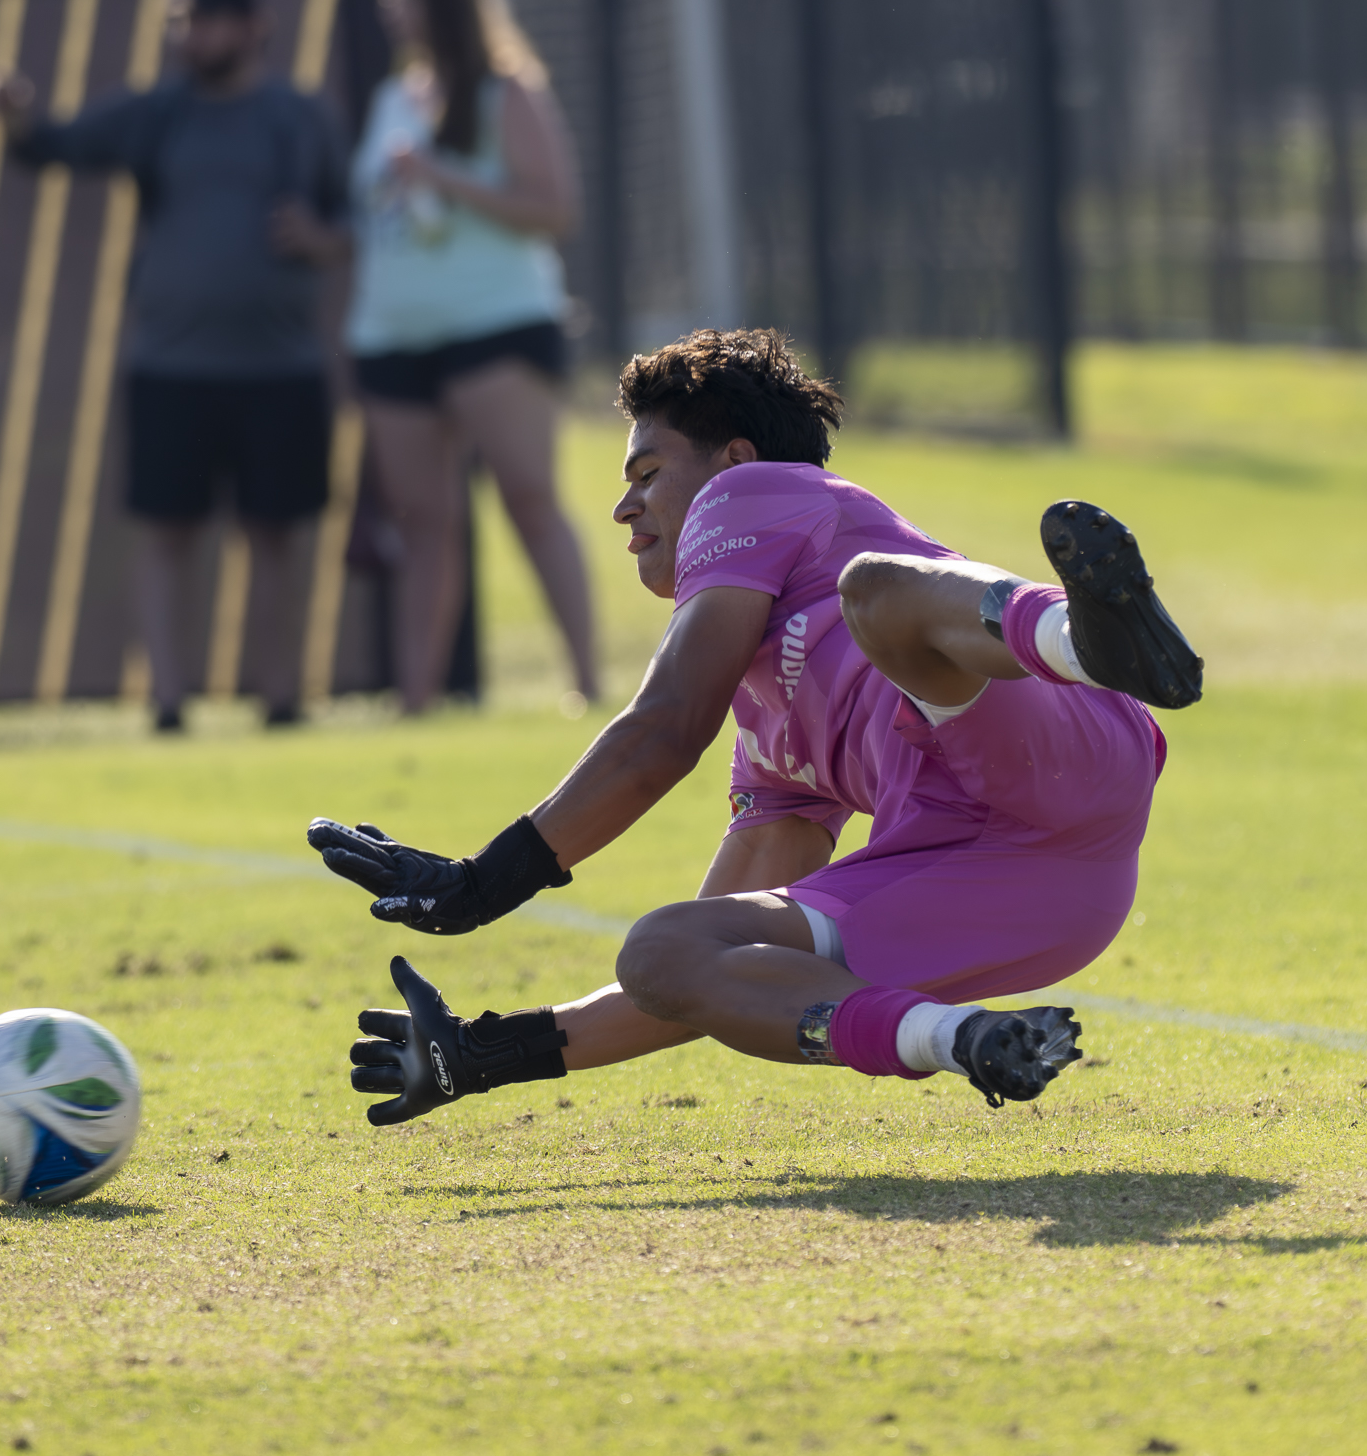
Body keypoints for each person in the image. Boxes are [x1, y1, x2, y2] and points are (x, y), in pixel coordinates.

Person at [308, 327, 1204, 1121]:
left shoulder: (756, 493)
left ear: (734, 462)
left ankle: (1083, 638)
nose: (624, 509)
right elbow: (706, 973)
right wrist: (482, 1054)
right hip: (1036, 888)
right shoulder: (768, 731)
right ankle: (960, 1040)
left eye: (647, 475)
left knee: (875, 592)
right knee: (667, 949)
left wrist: (479, 886)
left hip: (1062, 746)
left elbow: (663, 731)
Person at [0, 0, 349, 731]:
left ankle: (281, 700)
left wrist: (321, 239)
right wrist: (16, 117)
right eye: (183, 21)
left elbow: (355, 222)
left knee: (276, 533)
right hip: (172, 364)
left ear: (253, 26)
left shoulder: (298, 116)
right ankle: (169, 702)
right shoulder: (157, 112)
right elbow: (53, 145)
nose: (193, 36)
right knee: (166, 530)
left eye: (208, 21)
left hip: (279, 365)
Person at [345, 0, 597, 715]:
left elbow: (553, 208)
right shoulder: (392, 98)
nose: (392, 9)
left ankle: (589, 683)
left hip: (495, 326)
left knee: (529, 498)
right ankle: (416, 700)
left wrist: (444, 177)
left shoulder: (505, 91)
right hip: (393, 335)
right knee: (423, 521)